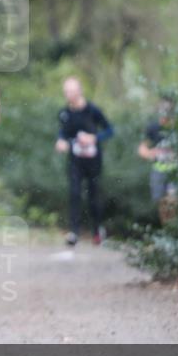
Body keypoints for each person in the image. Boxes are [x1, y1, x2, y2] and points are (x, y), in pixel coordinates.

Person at [55, 78, 113, 246]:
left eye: (71, 91)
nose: (68, 95)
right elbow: (64, 133)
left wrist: (94, 138)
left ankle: (97, 231)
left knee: (94, 195)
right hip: (75, 161)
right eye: (66, 91)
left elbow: (110, 130)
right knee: (74, 193)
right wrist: (61, 141)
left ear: (80, 91)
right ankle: (74, 232)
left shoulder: (93, 110)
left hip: (93, 161)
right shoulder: (64, 113)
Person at [137, 97, 178, 224]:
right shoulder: (153, 128)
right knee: (162, 203)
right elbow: (142, 149)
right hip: (158, 171)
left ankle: (175, 227)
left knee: (173, 200)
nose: (165, 111)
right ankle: (168, 229)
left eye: (168, 109)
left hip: (175, 172)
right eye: (162, 108)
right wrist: (151, 153)